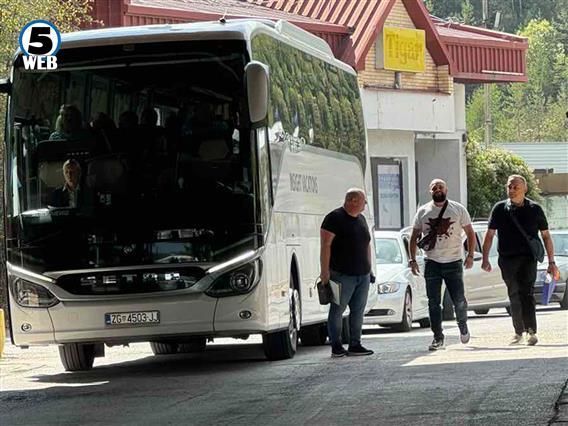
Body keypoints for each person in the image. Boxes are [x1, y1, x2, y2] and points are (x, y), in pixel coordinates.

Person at [481, 175, 558, 346]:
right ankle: (518, 332)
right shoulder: (500, 209)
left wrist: (551, 262)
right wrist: (485, 258)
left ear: (525, 189)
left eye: (516, 187)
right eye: (509, 187)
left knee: (527, 292)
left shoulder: (535, 209)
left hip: (528, 258)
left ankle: (531, 331)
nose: (512, 190)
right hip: (507, 258)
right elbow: (490, 235)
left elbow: (546, 236)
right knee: (513, 293)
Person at [410, 178, 476, 351]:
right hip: (431, 261)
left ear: (446, 189)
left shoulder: (458, 209)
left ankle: (462, 325)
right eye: (434, 188)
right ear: (430, 191)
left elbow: (470, 232)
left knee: (459, 300)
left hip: (454, 261)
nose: (438, 190)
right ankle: (437, 337)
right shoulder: (423, 211)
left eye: (440, 187)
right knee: (433, 302)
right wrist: (412, 259)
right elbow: (414, 235)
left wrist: (470, 255)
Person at [320, 188, 374, 358]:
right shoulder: (334, 218)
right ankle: (336, 346)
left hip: (362, 275)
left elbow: (367, 245)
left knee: (358, 311)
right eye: (363, 201)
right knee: (337, 310)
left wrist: (370, 269)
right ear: (352, 200)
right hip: (342, 274)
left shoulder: (362, 219)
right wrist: (324, 272)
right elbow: (325, 246)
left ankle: (355, 344)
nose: (365, 204)